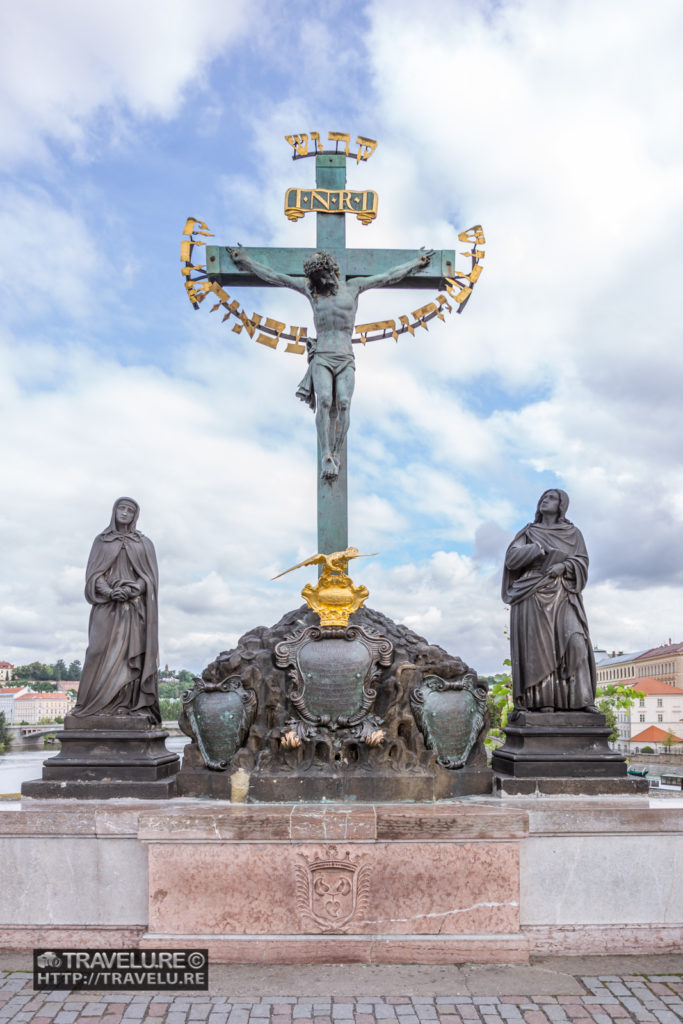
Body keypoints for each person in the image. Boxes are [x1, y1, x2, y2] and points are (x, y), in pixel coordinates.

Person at [230, 246, 434, 480]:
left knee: (344, 403)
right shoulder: (311, 291)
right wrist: (246, 262)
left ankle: (336, 453)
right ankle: (325, 452)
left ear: (331, 271)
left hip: (345, 354)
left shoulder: (354, 287)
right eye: (315, 279)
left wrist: (415, 263)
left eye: (321, 277)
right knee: (325, 401)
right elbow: (277, 277)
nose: (320, 283)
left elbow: (388, 276)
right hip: (323, 354)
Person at [501, 489, 597, 713]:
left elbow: (582, 562)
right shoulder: (528, 532)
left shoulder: (573, 533)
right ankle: (544, 702)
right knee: (539, 650)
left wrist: (564, 566)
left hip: (564, 592)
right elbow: (511, 559)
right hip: (532, 592)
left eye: (552, 497)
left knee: (576, 641)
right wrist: (536, 549)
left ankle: (581, 700)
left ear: (562, 505)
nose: (545, 499)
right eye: (544, 497)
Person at [73, 497, 161, 722]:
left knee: (131, 658)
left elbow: (150, 578)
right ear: (114, 511)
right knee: (96, 651)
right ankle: (88, 706)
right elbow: (93, 574)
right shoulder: (101, 541)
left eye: (130, 510)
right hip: (107, 605)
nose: (125, 513)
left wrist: (134, 590)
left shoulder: (143, 543)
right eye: (121, 508)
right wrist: (110, 591)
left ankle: (127, 705)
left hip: (133, 609)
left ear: (135, 516)